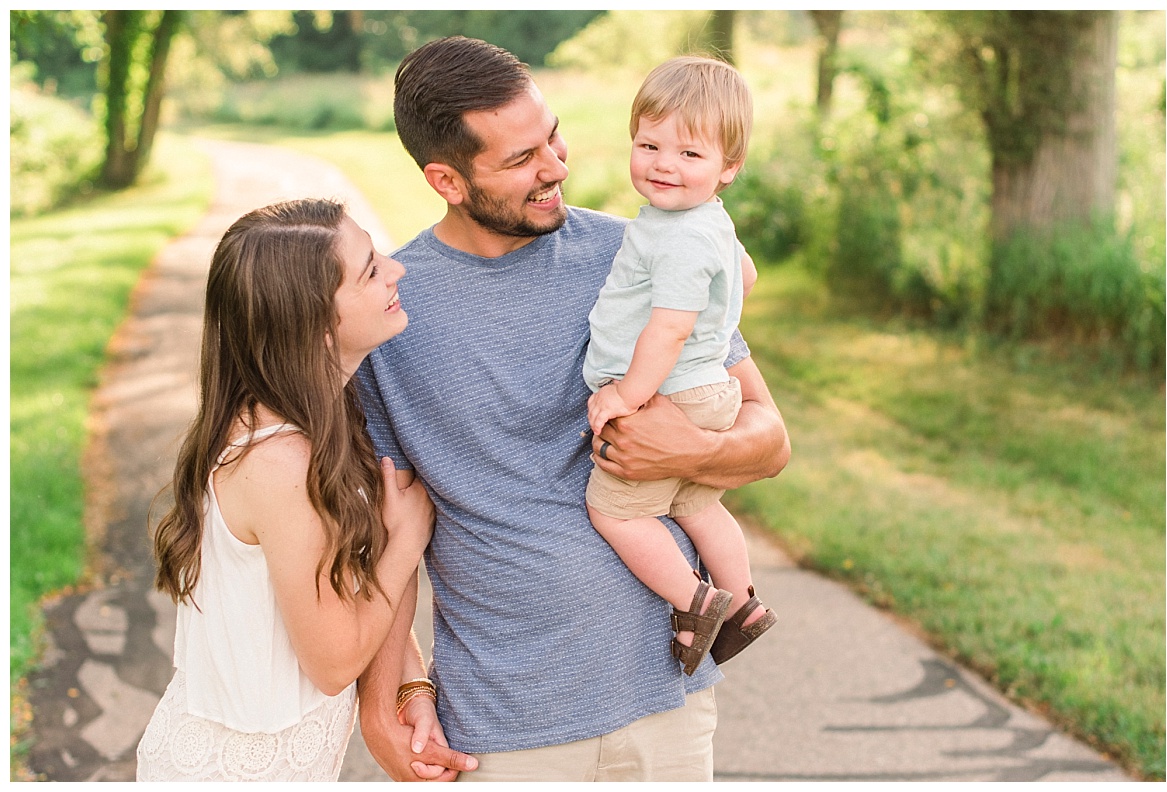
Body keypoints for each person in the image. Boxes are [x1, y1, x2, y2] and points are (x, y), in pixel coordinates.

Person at [354, 36, 790, 782]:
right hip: (507, 720)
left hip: (667, 699)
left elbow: (768, 436)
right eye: (521, 159)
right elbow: (385, 529)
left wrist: (688, 455)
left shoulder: (642, 251)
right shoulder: (393, 315)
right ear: (446, 179)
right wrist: (396, 690)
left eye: (551, 136)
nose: (556, 165)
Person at [136, 198, 445, 781]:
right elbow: (332, 664)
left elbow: (347, 590)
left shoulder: (315, 417)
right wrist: (406, 539)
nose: (396, 270)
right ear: (319, 328)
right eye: (370, 270)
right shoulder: (280, 462)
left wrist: (410, 684)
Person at [583, 56, 777, 677]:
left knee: (613, 509)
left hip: (671, 392)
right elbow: (744, 275)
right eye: (649, 145)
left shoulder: (678, 237)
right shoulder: (707, 222)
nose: (664, 164)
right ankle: (744, 604)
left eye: (689, 155)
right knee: (696, 505)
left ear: (729, 168)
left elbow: (669, 327)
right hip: (708, 387)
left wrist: (625, 396)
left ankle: (695, 603)